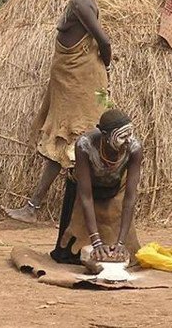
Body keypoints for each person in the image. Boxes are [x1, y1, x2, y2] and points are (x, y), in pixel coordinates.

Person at [4, 0, 112, 224]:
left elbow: (104, 41)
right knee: (64, 143)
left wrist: (103, 66)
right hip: (72, 83)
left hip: (82, 85)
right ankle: (37, 206)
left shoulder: (80, 2)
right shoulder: (78, 1)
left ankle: (43, 208)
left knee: (76, 142)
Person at [51, 109, 142, 265]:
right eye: (122, 136)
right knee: (69, 255)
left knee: (124, 254)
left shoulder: (134, 148)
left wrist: (121, 243)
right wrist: (96, 241)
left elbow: (130, 197)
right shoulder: (85, 145)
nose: (128, 140)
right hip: (82, 190)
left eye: (130, 134)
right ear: (105, 135)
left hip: (113, 190)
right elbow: (85, 196)